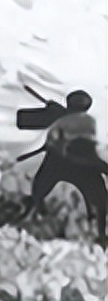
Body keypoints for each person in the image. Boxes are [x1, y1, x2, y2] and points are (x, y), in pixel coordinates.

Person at [20, 90, 108, 243]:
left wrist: (55, 113)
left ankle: (31, 211)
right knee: (100, 198)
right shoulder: (89, 121)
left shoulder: (62, 118)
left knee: (39, 189)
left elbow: (24, 120)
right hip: (85, 164)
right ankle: (100, 232)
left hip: (58, 161)